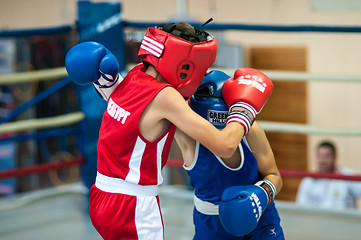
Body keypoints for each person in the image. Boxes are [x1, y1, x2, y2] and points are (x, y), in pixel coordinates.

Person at [65, 21, 273, 240]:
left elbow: (133, 114)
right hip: (131, 206)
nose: (202, 75)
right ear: (186, 65)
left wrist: (108, 83)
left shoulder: (135, 75)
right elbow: (225, 145)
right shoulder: (166, 97)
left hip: (101, 195)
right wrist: (244, 109)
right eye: (201, 68)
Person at [174, 70, 285, 239]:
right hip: (211, 225)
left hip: (260, 218)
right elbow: (160, 100)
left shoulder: (251, 130)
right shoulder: (187, 135)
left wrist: (261, 195)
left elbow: (274, 175)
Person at [296, 140, 361, 210]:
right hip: (317, 220)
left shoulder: (347, 176)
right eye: (319, 156)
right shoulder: (308, 181)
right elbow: (301, 208)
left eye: (327, 156)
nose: (322, 160)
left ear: (335, 157)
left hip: (344, 220)